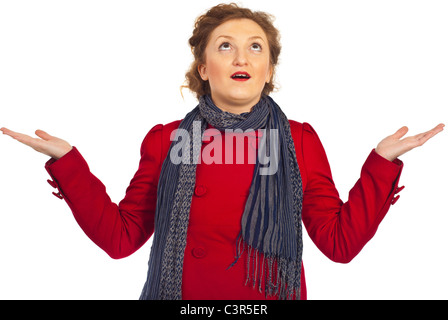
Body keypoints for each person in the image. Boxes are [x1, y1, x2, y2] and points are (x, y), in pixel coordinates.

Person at [0, 3, 444, 300]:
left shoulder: (300, 140)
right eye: (225, 46)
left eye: (256, 48)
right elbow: (120, 240)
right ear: (203, 66)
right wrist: (68, 163)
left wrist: (381, 166)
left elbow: (339, 244)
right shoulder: (166, 139)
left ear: (269, 69)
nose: (241, 58)